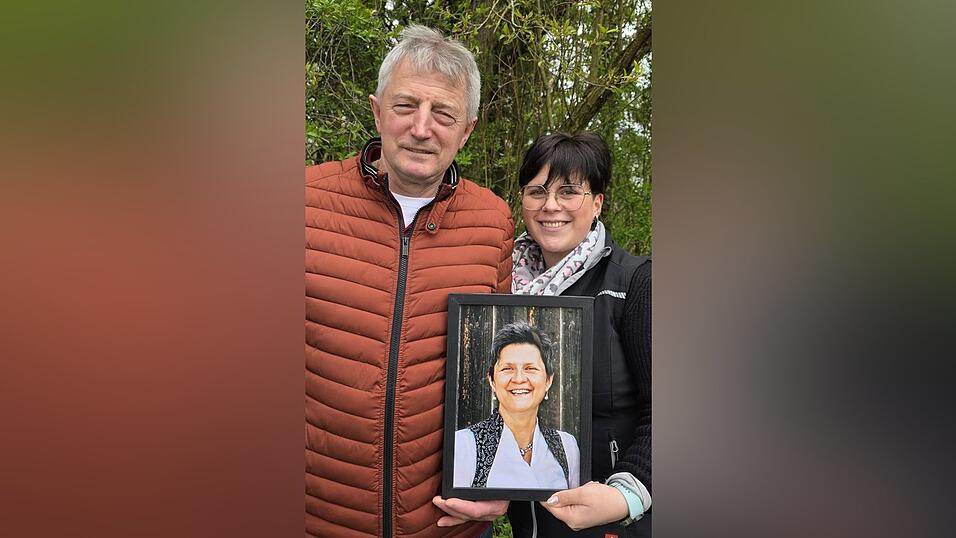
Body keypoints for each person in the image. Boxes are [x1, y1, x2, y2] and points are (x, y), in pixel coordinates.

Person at [305, 25, 514, 538]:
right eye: (405, 106)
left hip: (443, 525)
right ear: (377, 111)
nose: (422, 128)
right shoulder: (302, 201)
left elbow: (506, 365)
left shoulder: (493, 221)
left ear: (466, 130)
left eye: (443, 114)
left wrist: (505, 479)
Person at [509, 132, 652, 536]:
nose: (550, 205)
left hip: (616, 522)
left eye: (568, 191)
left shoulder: (636, 283)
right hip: (530, 523)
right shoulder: (502, 287)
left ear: (597, 202)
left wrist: (627, 493)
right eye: (537, 191)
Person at [453, 321, 580, 491]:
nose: (519, 378)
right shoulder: (465, 445)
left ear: (548, 380)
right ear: (492, 380)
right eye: (507, 369)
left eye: (530, 368)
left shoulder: (567, 446)